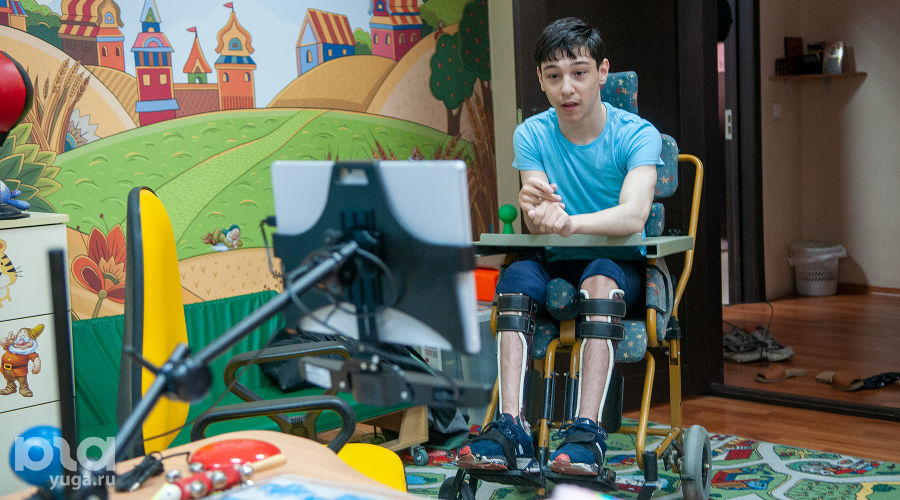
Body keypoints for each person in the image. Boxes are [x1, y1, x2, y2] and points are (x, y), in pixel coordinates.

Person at [456, 17, 662, 476]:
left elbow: (633, 215)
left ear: (602, 72)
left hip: (616, 264)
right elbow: (537, 216)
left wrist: (569, 223)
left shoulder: (637, 134)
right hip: (553, 260)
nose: (567, 88)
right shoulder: (531, 134)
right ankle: (511, 427)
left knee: (600, 280)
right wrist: (535, 209)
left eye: (579, 72)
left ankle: (587, 434)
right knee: (514, 278)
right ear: (541, 80)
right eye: (554, 76)